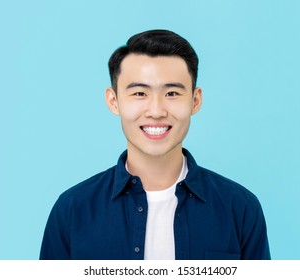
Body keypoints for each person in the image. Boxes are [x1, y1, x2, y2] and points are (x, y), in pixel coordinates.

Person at [40, 29, 270, 260]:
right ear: (114, 101)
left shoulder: (239, 208)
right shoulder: (72, 209)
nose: (157, 111)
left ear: (195, 100)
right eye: (140, 93)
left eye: (172, 93)